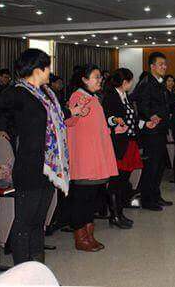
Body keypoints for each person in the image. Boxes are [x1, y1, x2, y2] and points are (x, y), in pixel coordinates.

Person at [0, 49, 82, 264]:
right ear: (37, 69)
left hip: (49, 166)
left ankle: (37, 265)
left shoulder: (46, 93)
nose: (50, 72)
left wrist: (72, 112)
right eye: (47, 67)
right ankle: (22, 268)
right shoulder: (19, 92)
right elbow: (1, 101)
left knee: (39, 221)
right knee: (24, 222)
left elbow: (54, 117)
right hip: (30, 166)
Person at [67, 64, 118, 251]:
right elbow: (69, 121)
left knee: (92, 198)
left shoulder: (93, 97)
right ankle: (81, 237)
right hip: (85, 156)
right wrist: (76, 111)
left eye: (100, 77)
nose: (100, 80)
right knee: (82, 198)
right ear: (84, 80)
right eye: (96, 77)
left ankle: (89, 235)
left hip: (96, 154)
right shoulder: (78, 96)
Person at [102, 68, 145, 229]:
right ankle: (114, 215)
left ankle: (119, 213)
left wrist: (144, 124)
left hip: (129, 142)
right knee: (116, 181)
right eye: (130, 81)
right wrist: (114, 121)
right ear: (124, 82)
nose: (131, 84)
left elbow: (132, 118)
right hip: (118, 143)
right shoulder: (111, 97)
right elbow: (107, 118)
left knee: (123, 180)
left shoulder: (124, 95)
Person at [130, 52, 173, 211]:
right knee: (152, 166)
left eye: (165, 64)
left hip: (160, 130)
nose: (164, 67)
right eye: (161, 64)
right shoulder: (146, 82)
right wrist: (150, 115)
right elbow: (139, 102)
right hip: (152, 132)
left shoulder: (159, 82)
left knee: (159, 165)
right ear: (152, 66)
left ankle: (155, 195)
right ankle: (147, 200)